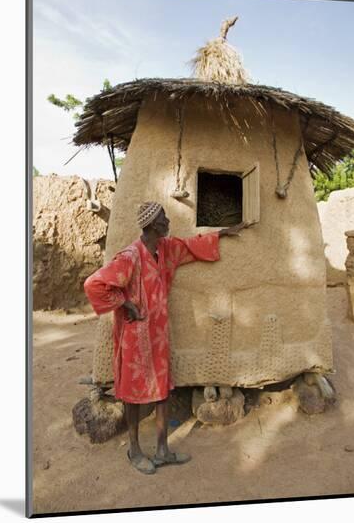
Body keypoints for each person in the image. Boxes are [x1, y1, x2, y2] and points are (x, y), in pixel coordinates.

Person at [84, 201, 251, 474]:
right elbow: (94, 284)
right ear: (151, 225)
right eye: (164, 219)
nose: (168, 222)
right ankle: (134, 450)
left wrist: (225, 232)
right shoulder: (130, 257)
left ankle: (162, 450)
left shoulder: (164, 248)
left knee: (161, 390)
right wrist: (125, 303)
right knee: (133, 395)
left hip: (158, 334)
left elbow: (190, 246)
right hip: (135, 336)